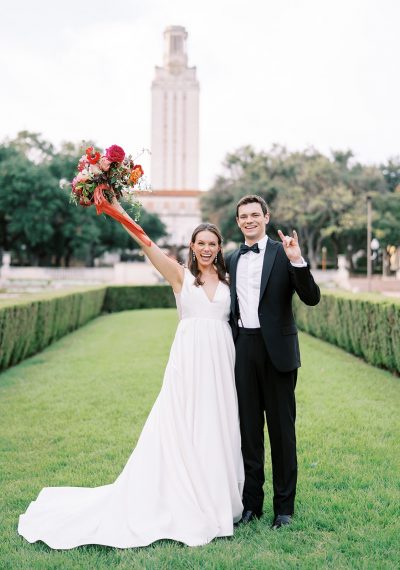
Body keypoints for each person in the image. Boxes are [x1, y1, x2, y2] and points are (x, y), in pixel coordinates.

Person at [18, 207, 244, 549]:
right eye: (201, 243)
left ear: (219, 246)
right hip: (189, 364)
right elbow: (146, 241)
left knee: (217, 425)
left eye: (213, 243)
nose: (207, 248)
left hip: (221, 365)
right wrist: (116, 207)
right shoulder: (179, 276)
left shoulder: (230, 282)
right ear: (192, 247)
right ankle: (184, 498)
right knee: (185, 425)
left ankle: (218, 499)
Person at [225, 195, 320, 530]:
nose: (249, 220)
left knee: (282, 433)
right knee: (248, 433)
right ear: (238, 222)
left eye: (255, 215)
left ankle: (284, 508)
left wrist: (298, 260)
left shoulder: (284, 253)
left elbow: (311, 297)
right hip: (244, 349)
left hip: (278, 352)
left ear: (266, 217)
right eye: (243, 216)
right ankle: (252, 505)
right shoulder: (233, 258)